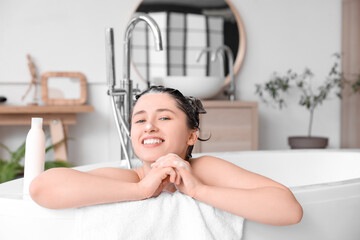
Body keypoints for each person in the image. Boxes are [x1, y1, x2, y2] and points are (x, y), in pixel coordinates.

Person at [30, 86, 303, 226]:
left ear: (191, 135)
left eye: (164, 117)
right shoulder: (128, 178)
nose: (149, 126)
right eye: (139, 121)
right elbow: (42, 188)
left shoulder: (205, 169)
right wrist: (140, 189)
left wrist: (198, 190)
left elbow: (289, 209)